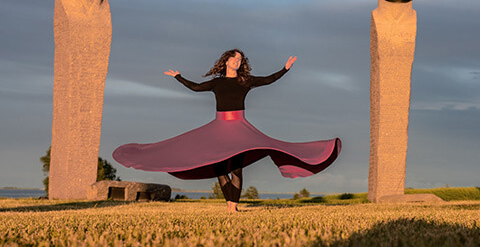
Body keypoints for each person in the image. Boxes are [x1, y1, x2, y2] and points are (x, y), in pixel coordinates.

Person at [113, 49, 342, 213]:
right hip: (219, 128)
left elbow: (268, 80)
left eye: (240, 59)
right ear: (226, 61)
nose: (237, 61)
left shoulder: (245, 81)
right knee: (220, 169)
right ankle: (230, 206)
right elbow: (195, 87)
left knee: (237, 169)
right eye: (235, 58)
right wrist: (178, 77)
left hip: (240, 128)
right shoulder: (217, 82)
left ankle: (234, 206)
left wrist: (285, 69)